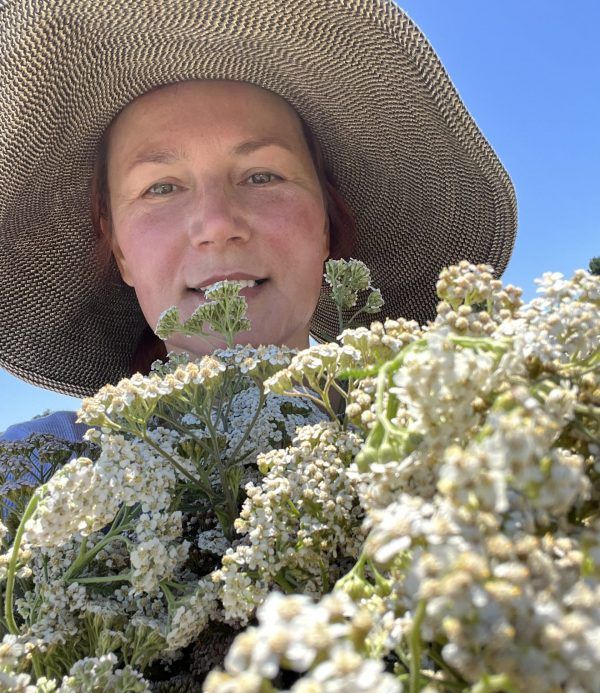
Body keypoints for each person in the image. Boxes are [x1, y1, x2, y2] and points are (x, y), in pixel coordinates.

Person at [0, 0, 516, 444]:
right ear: (120, 253)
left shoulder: (472, 429)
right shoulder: (36, 472)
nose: (217, 223)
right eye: (161, 187)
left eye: (263, 175)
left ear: (325, 225)